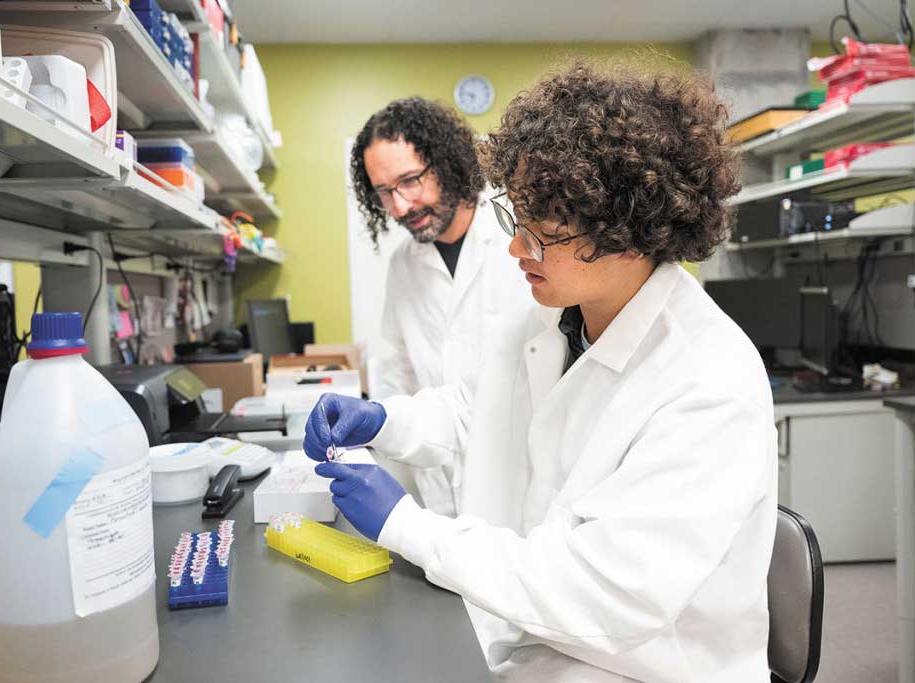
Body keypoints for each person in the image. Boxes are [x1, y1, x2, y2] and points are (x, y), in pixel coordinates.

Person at [306, 61, 777, 683]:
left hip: (642, 663)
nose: (515, 249)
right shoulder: (550, 322)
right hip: (533, 633)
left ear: (628, 232)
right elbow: (477, 407)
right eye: (516, 219)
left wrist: (408, 526)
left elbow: (606, 592)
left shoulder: (709, 381)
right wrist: (384, 419)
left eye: (540, 233)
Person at [349, 96, 526, 517]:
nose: (401, 206)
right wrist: (379, 426)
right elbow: (399, 368)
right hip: (437, 485)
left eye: (410, 181)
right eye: (384, 193)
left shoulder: (516, 239)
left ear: (447, 162)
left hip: (515, 480)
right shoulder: (404, 264)